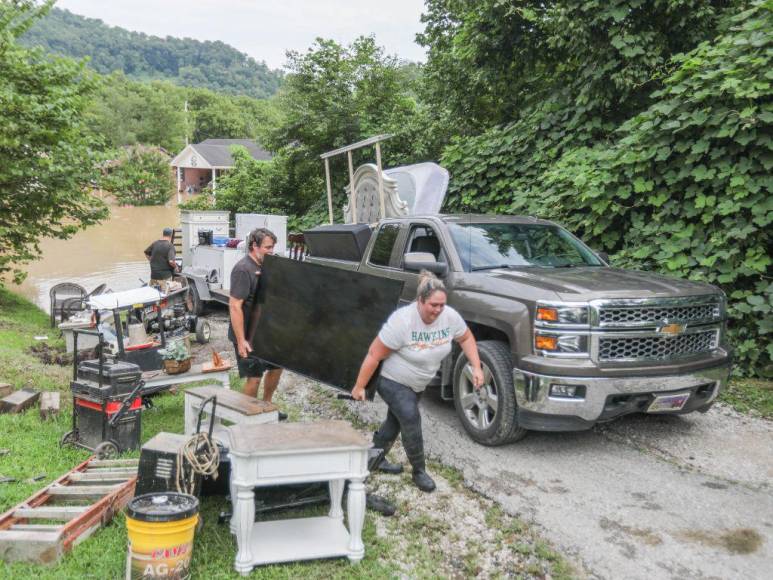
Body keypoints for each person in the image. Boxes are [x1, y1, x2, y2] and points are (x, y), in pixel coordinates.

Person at [351, 271, 484, 492]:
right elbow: (374, 354)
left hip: (419, 382)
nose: (438, 310)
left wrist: (476, 367)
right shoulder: (402, 321)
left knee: (395, 422)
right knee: (410, 418)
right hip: (391, 379)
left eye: (442, 305)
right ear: (420, 301)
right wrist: (359, 386)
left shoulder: (449, 316)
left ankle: (373, 459)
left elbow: (466, 337)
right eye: (433, 305)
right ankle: (419, 471)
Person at [228, 227, 286, 420]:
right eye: (267, 247)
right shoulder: (243, 269)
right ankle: (248, 417)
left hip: (266, 332)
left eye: (272, 247)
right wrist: (241, 340)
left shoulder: (266, 265)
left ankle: (267, 407)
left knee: (277, 367)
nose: (271, 251)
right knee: (254, 377)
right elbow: (235, 306)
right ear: (255, 246)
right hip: (246, 334)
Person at [144, 227, 177, 291]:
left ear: (163, 234)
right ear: (171, 235)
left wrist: (151, 260)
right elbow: (171, 261)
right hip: (164, 277)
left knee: (154, 294)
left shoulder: (155, 243)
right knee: (164, 296)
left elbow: (146, 253)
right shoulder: (170, 246)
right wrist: (176, 267)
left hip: (154, 276)